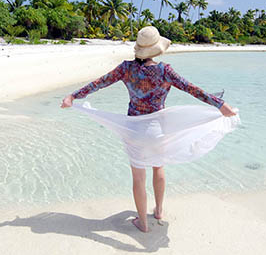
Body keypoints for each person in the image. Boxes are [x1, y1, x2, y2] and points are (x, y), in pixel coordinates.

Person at [61, 26, 237, 233]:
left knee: (138, 178)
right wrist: (219, 105)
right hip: (157, 130)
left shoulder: (126, 69)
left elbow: (98, 83)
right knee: (158, 168)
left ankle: (143, 223)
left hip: (133, 129)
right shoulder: (165, 71)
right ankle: (159, 210)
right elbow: (192, 89)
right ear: (157, 49)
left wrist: (73, 96)